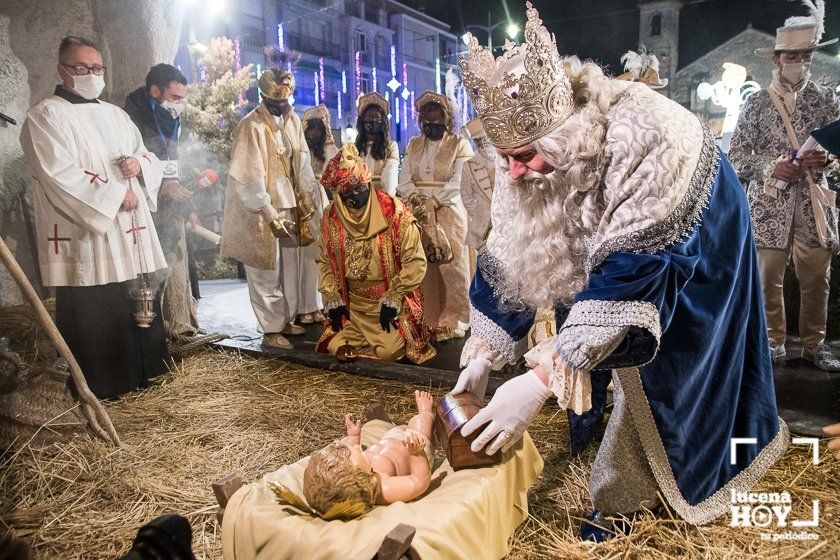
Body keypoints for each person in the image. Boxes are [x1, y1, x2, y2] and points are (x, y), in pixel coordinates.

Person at [453, 3, 786, 539]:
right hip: (626, 232)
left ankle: (627, 497)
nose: (512, 172)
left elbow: (630, 280)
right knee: (594, 330)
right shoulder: (520, 155)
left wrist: (540, 382)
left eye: (526, 156)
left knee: (662, 364)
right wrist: (485, 353)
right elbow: (508, 249)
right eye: (504, 156)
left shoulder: (650, 136)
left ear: (566, 133)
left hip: (697, 224)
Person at [20, 36, 168, 399]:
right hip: (89, 236)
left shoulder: (116, 115)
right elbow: (59, 173)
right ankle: (106, 388)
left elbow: (146, 155)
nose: (91, 74)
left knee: (139, 300)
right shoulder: (44, 116)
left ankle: (149, 378)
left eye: (97, 67)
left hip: (129, 231)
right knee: (98, 309)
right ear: (62, 70)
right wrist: (118, 194)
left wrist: (141, 165)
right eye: (81, 68)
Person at [729, 0, 840, 371]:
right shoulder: (755, 104)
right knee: (766, 281)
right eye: (790, 55)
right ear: (775, 59)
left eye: (804, 55)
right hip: (769, 206)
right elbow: (736, 157)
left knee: (816, 280)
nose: (798, 61)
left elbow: (837, 151)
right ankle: (772, 341)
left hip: (813, 206)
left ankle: (815, 345)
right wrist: (768, 167)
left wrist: (827, 160)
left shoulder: (827, 100)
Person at [220, 49, 322, 349]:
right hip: (260, 211)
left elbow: (302, 161)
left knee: (289, 265)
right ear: (264, 98)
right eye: (275, 102)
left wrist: (305, 195)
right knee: (265, 269)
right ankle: (271, 328)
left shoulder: (293, 121)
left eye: (285, 101)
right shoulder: (250, 126)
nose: (281, 106)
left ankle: (285, 319)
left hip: (289, 204)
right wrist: (266, 210)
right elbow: (247, 175)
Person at [316, 144, 434, 363]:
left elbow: (415, 262)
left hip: (386, 306)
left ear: (368, 183)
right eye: (347, 194)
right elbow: (324, 261)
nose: (355, 198)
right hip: (352, 307)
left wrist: (394, 296)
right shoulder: (331, 217)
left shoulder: (396, 213)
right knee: (335, 347)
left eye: (360, 189)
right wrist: (332, 295)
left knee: (388, 353)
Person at [124, 63, 200, 339]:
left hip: (170, 211)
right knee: (145, 276)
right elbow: (127, 164)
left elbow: (177, 166)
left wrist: (187, 206)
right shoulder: (131, 118)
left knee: (168, 270)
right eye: (175, 97)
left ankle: (173, 328)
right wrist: (159, 188)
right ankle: (150, 332)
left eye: (182, 98)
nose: (180, 104)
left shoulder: (173, 120)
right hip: (143, 210)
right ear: (155, 91)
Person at [397, 91, 473, 342]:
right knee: (422, 265)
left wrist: (435, 200)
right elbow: (404, 177)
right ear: (421, 120)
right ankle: (429, 318)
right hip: (418, 211)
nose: (432, 123)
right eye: (427, 118)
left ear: (445, 118)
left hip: (449, 210)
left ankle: (458, 318)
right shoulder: (413, 144)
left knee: (452, 265)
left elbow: (460, 178)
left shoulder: (459, 144)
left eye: (437, 117)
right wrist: (416, 199)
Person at [301, 390, 436, 519]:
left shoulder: (358, 466)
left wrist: (354, 435)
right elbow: (418, 482)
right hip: (416, 447)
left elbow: (352, 449)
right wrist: (417, 453)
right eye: (350, 452)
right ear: (357, 478)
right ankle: (427, 412)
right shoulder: (383, 487)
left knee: (403, 427)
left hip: (391, 438)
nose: (353, 448)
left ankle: (407, 426)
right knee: (419, 422)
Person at [299, 104, 335, 325]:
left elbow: (334, 163)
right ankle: (304, 306)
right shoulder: (299, 151)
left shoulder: (326, 149)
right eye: (310, 129)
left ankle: (321, 303)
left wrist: (329, 138)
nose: (314, 133)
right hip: (303, 200)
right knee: (304, 257)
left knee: (322, 255)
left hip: (321, 201)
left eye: (318, 129)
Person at [460, 117, 496, 253]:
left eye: (483, 140)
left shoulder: (505, 160)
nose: (481, 146)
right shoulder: (469, 165)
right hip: (483, 230)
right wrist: (480, 212)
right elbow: (466, 196)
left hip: (510, 226)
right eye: (477, 142)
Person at [354, 92, 400, 196]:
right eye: (369, 118)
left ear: (382, 122)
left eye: (377, 119)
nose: (373, 121)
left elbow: (390, 178)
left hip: (381, 199)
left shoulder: (390, 146)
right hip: (357, 199)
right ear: (362, 121)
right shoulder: (354, 148)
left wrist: (385, 199)